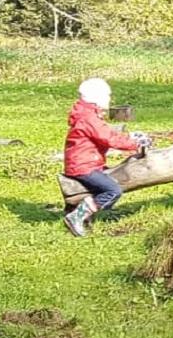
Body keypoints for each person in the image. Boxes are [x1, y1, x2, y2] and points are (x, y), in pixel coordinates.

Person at [61, 78, 150, 237]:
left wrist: (130, 137)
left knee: (109, 180)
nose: (109, 99)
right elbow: (108, 139)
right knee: (112, 190)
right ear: (97, 97)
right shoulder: (88, 118)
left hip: (86, 163)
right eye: (107, 95)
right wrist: (135, 144)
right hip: (83, 166)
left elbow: (106, 133)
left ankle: (85, 213)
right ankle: (77, 216)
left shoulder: (88, 114)